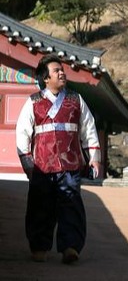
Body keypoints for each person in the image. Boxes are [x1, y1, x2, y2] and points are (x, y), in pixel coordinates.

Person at [15, 54, 101, 264]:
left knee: (71, 204)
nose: (62, 73)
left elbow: (89, 129)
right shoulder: (33, 102)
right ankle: (39, 246)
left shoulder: (75, 100)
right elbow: (22, 134)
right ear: (45, 78)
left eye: (62, 70)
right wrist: (28, 164)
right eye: (56, 70)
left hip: (70, 164)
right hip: (42, 166)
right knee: (39, 207)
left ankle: (70, 247)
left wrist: (94, 157)